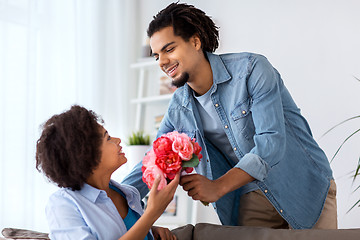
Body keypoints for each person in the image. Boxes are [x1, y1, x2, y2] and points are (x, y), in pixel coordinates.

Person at [123, 2, 337, 230]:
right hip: (250, 198)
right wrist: (108, 197)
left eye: (169, 49)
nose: (162, 62)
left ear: (195, 42)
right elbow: (155, 159)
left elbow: (270, 143)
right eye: (157, 56)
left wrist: (217, 186)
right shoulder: (179, 107)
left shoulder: (252, 70)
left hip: (304, 188)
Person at [36, 105, 178, 240]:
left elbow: (124, 231)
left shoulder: (129, 194)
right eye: (108, 138)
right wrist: (151, 214)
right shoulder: (63, 204)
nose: (118, 140)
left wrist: (149, 231)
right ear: (86, 154)